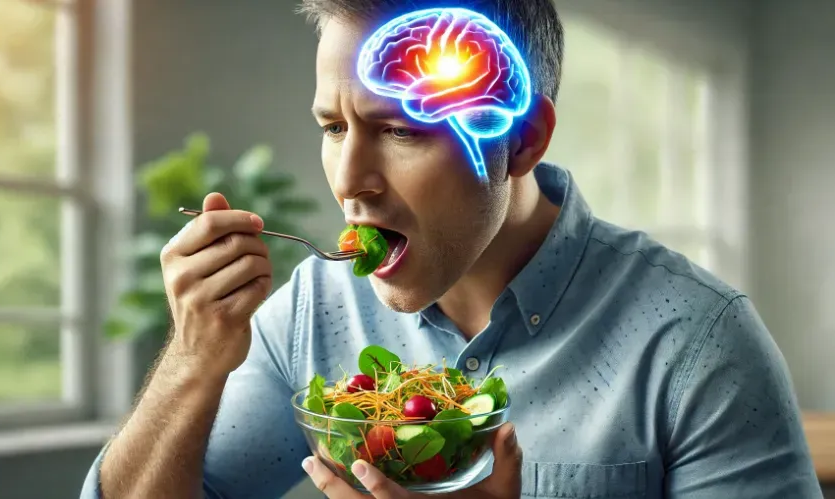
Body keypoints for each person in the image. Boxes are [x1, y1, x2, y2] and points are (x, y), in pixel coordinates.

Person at [80, 0, 824, 497]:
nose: (349, 182)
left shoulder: (696, 341)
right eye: (333, 127)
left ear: (523, 139)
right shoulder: (310, 310)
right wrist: (191, 360)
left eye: (402, 131)